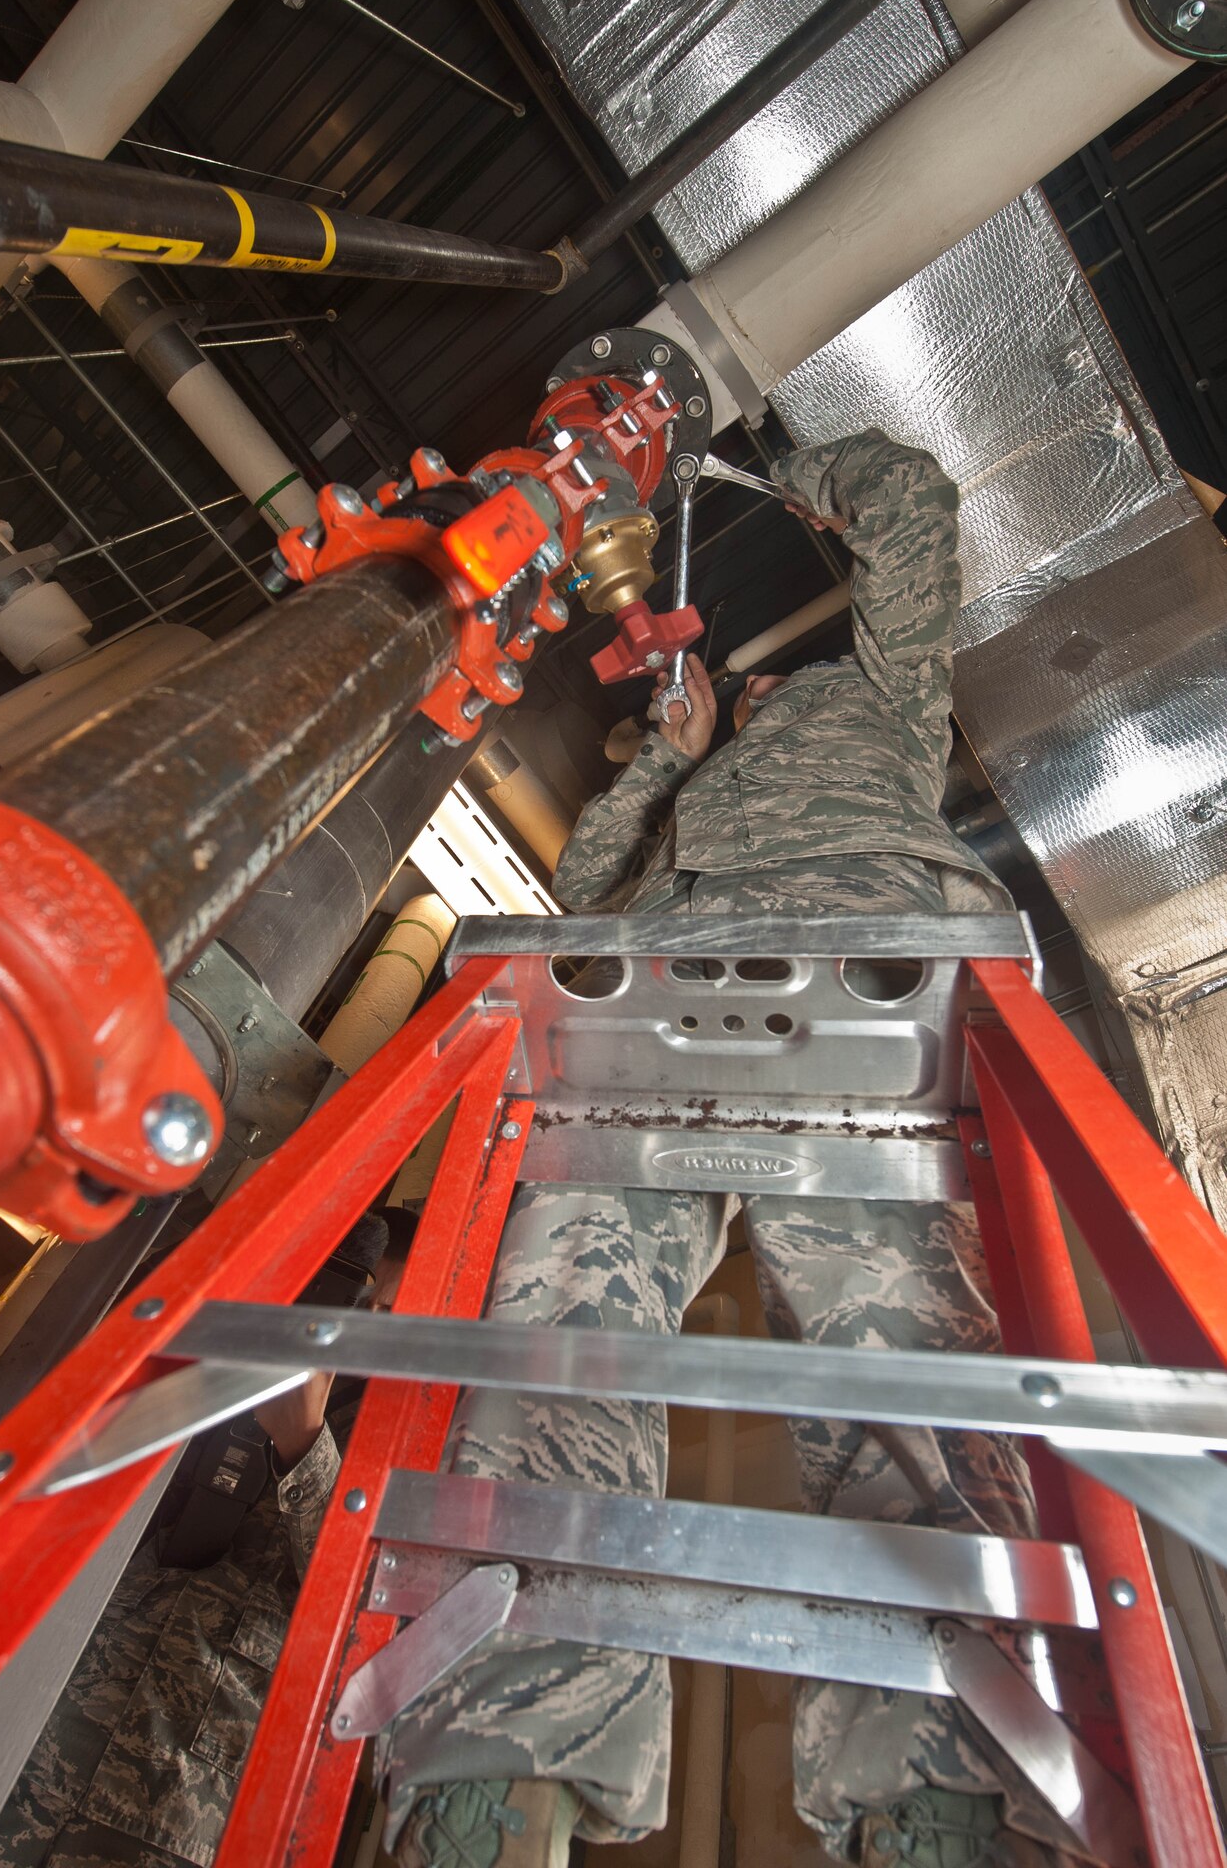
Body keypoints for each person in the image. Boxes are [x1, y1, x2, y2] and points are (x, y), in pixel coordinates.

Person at [381, 431, 1062, 1868]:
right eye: (744, 697)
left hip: (861, 979)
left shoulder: (885, 700)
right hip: (664, 988)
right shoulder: (698, 780)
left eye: (768, 687)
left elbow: (913, 511)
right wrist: (662, 768)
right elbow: (580, 893)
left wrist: (772, 457)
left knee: (900, 1378)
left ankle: (942, 1793)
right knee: (555, 1342)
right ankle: (500, 1776)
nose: (753, 692)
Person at [0, 1205, 416, 1868]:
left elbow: (376, 1612)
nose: (368, 1328)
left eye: (392, 1313)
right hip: (29, 1736)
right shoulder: (236, 1348)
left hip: (174, 1800)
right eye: (360, 1304)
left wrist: (302, 1441)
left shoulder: (410, 1440)